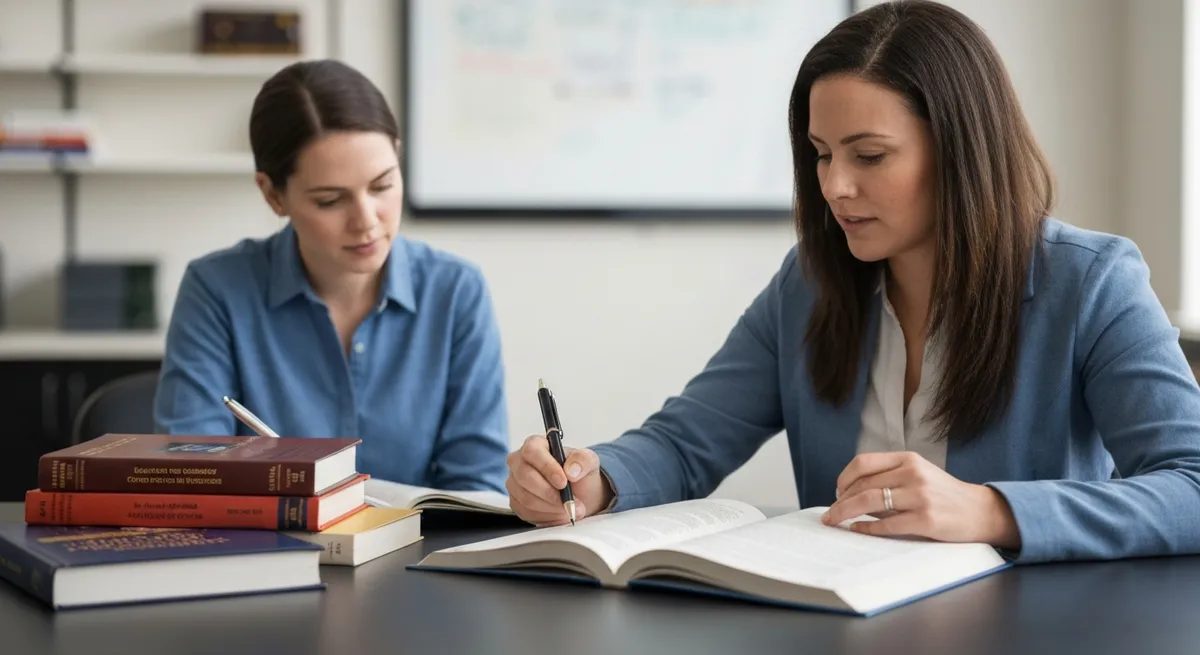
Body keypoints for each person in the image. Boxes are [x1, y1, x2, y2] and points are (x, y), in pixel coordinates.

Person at [504, 0, 1200, 563]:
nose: (835, 186)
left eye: (870, 155)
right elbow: (686, 442)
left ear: (960, 150)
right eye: (820, 154)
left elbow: (1191, 484)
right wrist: (595, 479)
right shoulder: (808, 284)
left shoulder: (1092, 281)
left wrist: (989, 509)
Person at [154, 59, 510, 493]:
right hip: (269, 553)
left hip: (418, 555)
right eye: (329, 200)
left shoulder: (456, 291)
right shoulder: (216, 290)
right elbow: (194, 479)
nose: (366, 221)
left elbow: (475, 487)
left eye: (382, 186)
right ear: (273, 195)